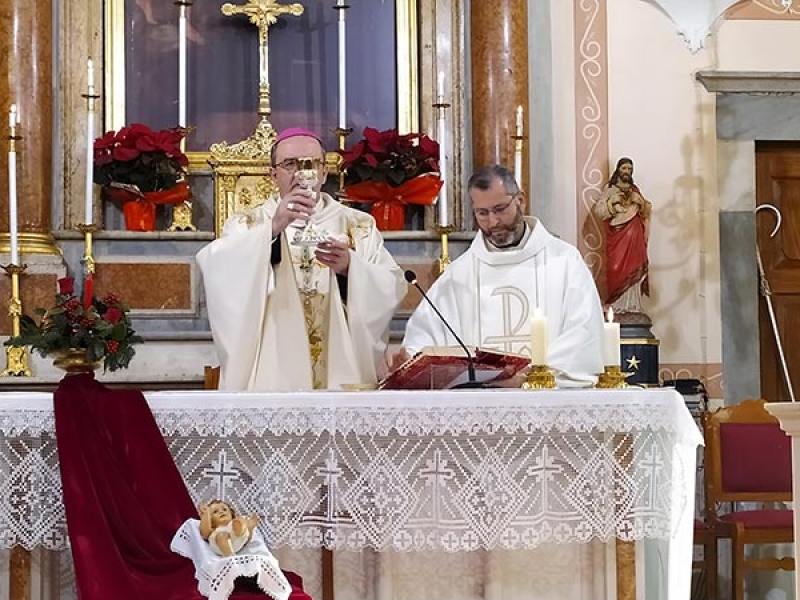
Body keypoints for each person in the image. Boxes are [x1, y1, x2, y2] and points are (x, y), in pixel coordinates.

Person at [196, 127, 406, 391]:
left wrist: (351, 269)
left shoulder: (358, 225)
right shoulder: (248, 224)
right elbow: (218, 270)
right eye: (289, 164)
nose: (301, 173)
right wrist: (272, 230)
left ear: (324, 172)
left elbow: (392, 284)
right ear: (273, 174)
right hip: (272, 374)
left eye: (311, 163)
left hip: (341, 375)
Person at [398, 164, 605, 384]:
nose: (493, 222)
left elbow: (583, 332)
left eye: (500, 209)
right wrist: (409, 361)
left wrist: (527, 378)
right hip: (479, 403)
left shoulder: (564, 261)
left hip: (547, 398)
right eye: (482, 213)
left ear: (520, 200)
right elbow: (426, 335)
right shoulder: (459, 275)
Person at [592, 157, 652, 316]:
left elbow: (646, 211)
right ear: (618, 169)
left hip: (635, 239)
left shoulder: (635, 190)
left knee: (634, 268)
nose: (627, 172)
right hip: (617, 238)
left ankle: (633, 306)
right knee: (615, 268)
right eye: (624, 168)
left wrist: (641, 203)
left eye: (629, 169)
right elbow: (599, 211)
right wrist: (611, 204)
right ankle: (617, 304)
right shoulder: (610, 189)